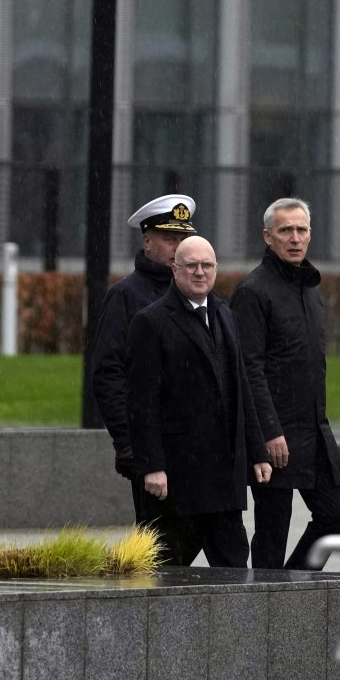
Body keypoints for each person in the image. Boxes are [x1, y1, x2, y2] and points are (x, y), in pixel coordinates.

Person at [128, 235, 272, 567]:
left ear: (216, 269)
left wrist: (257, 451)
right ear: (174, 269)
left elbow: (242, 390)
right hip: (177, 481)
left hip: (224, 481)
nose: (199, 272)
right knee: (164, 574)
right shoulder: (150, 322)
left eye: (207, 265)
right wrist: (152, 466)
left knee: (235, 572)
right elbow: (141, 403)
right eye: (191, 265)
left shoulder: (224, 314)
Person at [233, 197, 340, 570]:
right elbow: (248, 369)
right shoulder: (253, 291)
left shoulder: (310, 289)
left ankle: (293, 585)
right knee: (271, 534)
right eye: (286, 230)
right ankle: (266, 611)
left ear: (311, 234)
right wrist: (269, 431)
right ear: (268, 237)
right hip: (275, 436)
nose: (295, 238)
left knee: (337, 515)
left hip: (315, 430)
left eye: (301, 230)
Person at [90, 193, 198, 524]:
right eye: (169, 239)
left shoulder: (198, 294)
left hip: (197, 445)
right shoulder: (126, 296)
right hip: (152, 445)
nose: (178, 247)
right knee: (159, 542)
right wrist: (127, 443)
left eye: (183, 239)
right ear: (147, 242)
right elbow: (108, 374)